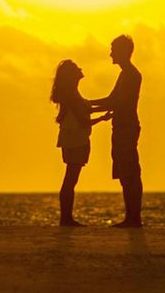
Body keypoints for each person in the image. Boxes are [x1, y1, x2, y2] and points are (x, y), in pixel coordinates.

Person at [50, 59, 110, 227]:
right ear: (71, 75)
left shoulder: (73, 94)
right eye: (76, 68)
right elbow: (84, 121)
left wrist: (107, 105)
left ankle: (66, 218)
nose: (80, 69)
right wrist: (103, 118)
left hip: (74, 139)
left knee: (70, 178)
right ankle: (66, 219)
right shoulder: (72, 95)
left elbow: (87, 108)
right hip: (75, 141)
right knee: (70, 179)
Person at [91, 34, 143, 227]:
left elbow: (116, 102)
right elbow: (111, 99)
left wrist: (86, 107)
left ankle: (134, 218)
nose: (111, 54)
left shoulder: (131, 75)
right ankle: (131, 217)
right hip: (121, 127)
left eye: (113, 50)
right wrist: (87, 105)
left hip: (126, 128)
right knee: (125, 173)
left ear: (123, 51)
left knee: (130, 173)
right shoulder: (125, 74)